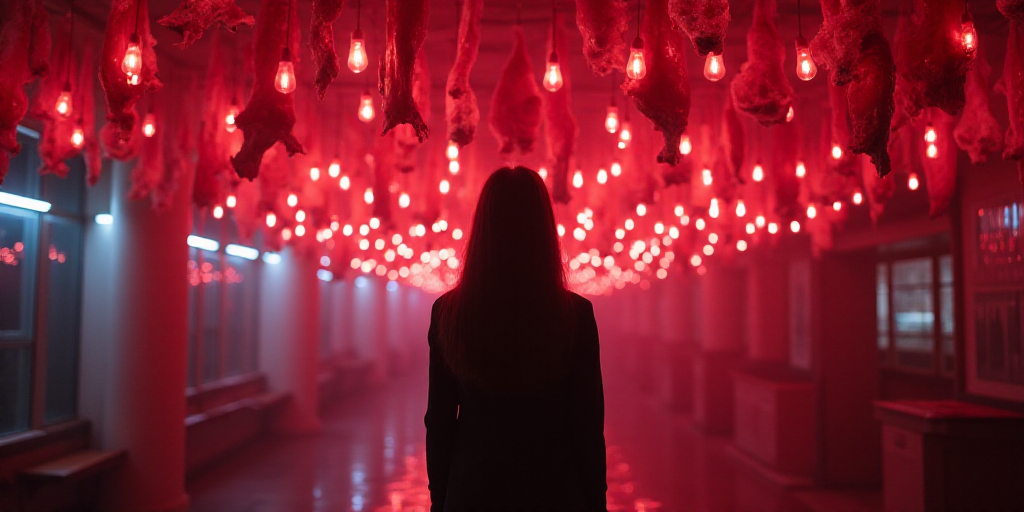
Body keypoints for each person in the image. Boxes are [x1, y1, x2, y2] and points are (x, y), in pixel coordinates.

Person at [425, 166, 607, 512]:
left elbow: (440, 422)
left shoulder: (450, 312)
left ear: (483, 228)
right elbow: (587, 424)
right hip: (555, 491)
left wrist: (440, 501)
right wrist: (597, 503)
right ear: (543, 229)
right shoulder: (574, 315)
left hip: (473, 491)